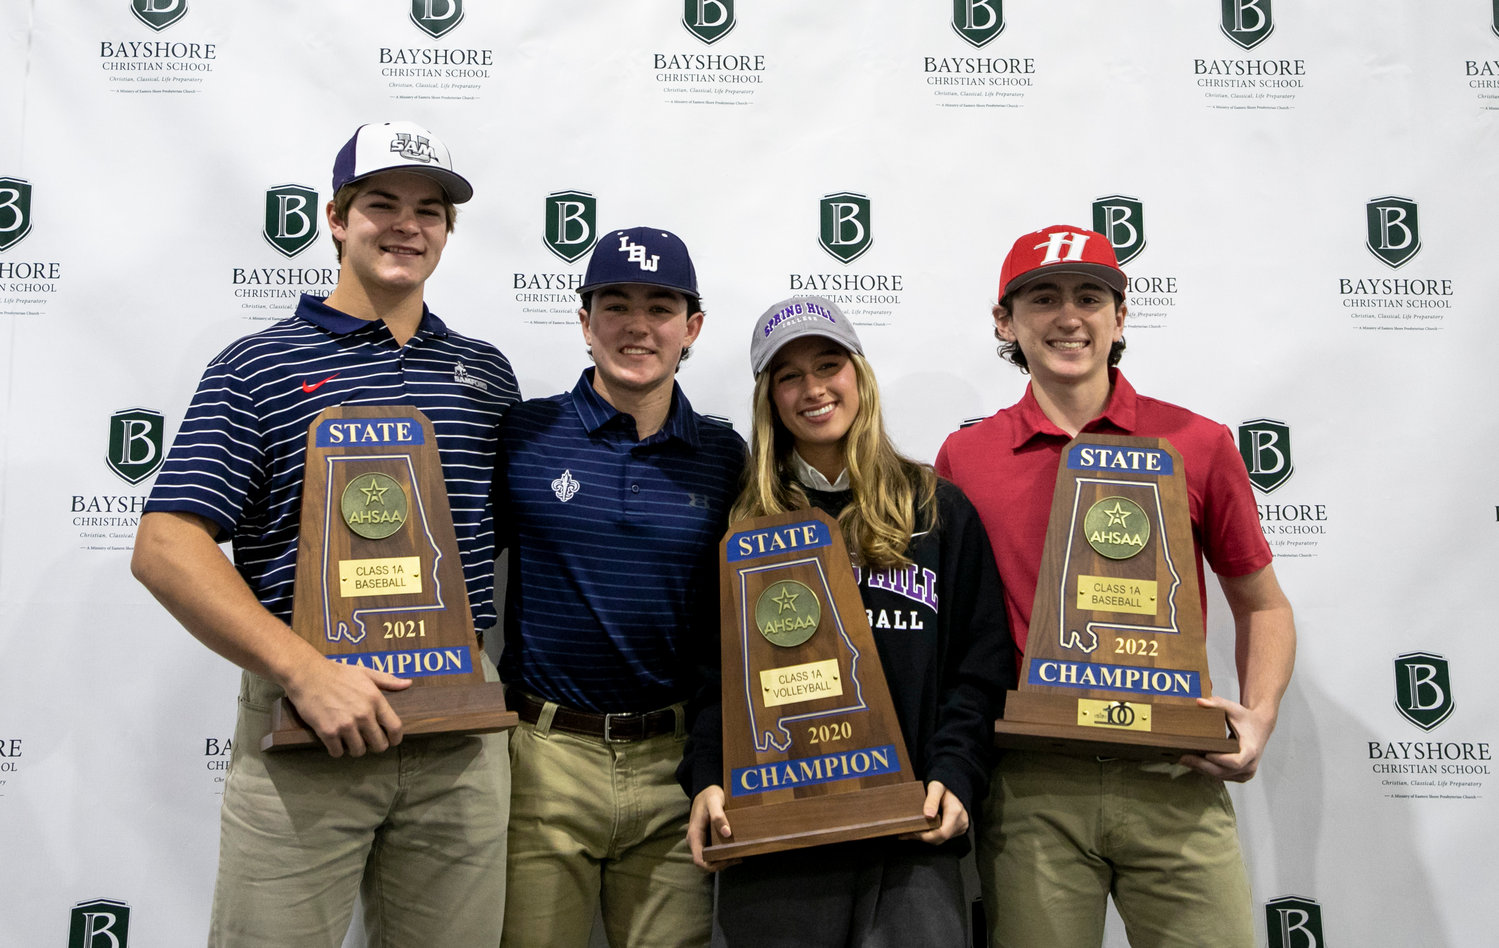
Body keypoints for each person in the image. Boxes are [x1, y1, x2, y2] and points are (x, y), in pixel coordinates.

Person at [131, 121, 518, 945]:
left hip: (460, 731)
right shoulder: (257, 365)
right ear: (336, 218)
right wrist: (304, 672)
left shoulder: (485, 374)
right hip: (308, 727)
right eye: (382, 203)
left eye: (430, 211)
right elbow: (167, 544)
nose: (407, 225)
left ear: (448, 234)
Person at [936, 224, 1297, 947]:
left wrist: (1257, 716)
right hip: (1031, 783)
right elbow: (951, 629)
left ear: (1120, 315)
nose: (1068, 317)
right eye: (1042, 298)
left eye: (1088, 297)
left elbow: (1262, 603)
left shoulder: (1197, 443)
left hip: (1171, 773)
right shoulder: (965, 457)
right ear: (1005, 321)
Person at [682, 295, 1013, 946]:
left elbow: (977, 669)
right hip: (777, 839)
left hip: (910, 833)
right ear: (768, 396)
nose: (812, 389)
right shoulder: (740, 524)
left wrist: (955, 772)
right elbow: (710, 680)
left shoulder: (936, 510)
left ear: (858, 374)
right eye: (788, 375)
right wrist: (707, 779)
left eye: (828, 364)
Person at [496, 226, 745, 947]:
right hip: (544, 759)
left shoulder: (725, 456)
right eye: (616, 304)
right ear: (583, 320)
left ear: (691, 327)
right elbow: (452, 572)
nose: (638, 325)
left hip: (676, 768)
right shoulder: (524, 434)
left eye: (661, 306)